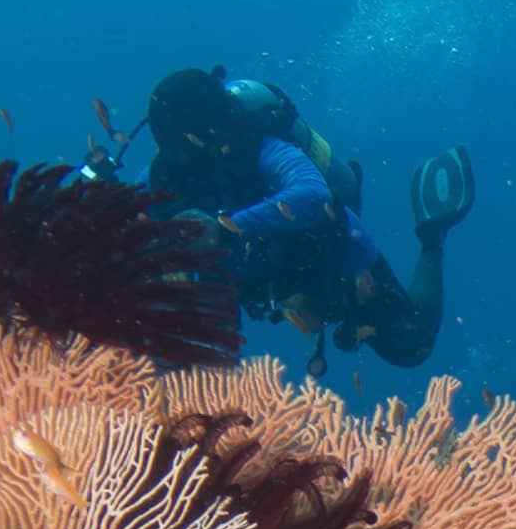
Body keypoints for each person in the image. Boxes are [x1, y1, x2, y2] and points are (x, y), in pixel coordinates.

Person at [143, 66, 474, 374]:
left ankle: (432, 239)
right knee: (196, 360)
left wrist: (226, 227)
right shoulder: (163, 175)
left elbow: (314, 194)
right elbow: (128, 212)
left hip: (330, 257)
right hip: (252, 276)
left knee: (410, 346)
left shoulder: (259, 142)